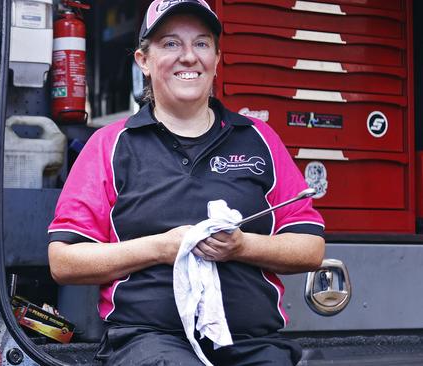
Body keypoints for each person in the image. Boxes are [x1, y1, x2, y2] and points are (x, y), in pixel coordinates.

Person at [48, 0, 325, 365]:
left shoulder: (260, 139)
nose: (188, 57)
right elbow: (64, 261)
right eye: (170, 43)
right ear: (143, 61)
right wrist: (163, 248)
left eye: (201, 43)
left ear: (216, 58)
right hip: (148, 341)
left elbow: (310, 249)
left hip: (250, 343)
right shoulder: (110, 145)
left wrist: (241, 246)